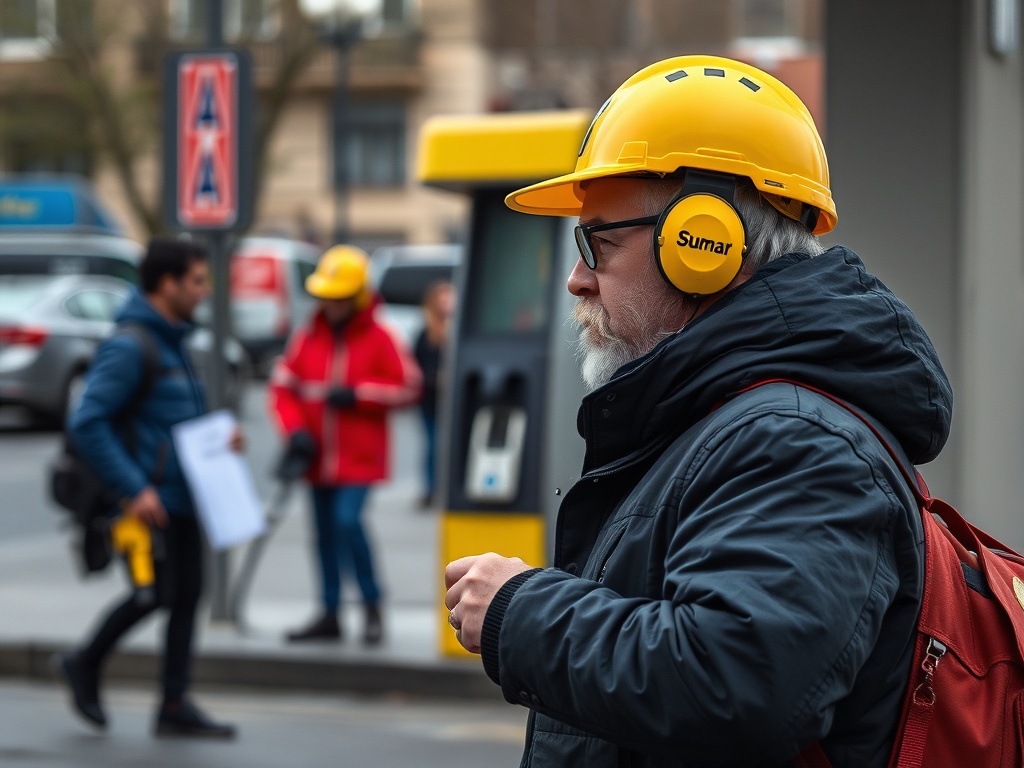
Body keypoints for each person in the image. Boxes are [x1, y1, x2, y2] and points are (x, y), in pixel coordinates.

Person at [443, 54, 953, 767]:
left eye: (599, 242)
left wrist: (519, 611)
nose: (576, 278)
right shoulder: (732, 422)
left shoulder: (795, 443)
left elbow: (738, 683)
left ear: (702, 245)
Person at [56, 237, 237, 738]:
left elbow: (173, 420)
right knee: (151, 595)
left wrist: (221, 438)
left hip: (183, 499)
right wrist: (134, 487)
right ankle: (84, 662)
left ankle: (173, 704)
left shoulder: (173, 340)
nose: (204, 291)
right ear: (167, 284)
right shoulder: (130, 345)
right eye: (197, 281)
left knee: (185, 596)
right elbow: (88, 421)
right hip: (149, 503)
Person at [269, 245, 421, 645]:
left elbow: (408, 386)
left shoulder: (380, 337)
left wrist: (359, 395)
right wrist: (294, 431)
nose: (330, 304)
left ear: (355, 297)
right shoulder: (307, 337)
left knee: (346, 523)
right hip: (315, 457)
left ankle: (371, 605)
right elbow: (282, 389)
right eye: (326, 297)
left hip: (358, 458)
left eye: (338, 298)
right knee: (322, 533)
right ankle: (330, 612)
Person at [412, 280, 455, 508]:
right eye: (442, 298)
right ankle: (431, 489)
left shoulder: (456, 329)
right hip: (430, 399)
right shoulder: (425, 333)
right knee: (432, 444)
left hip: (451, 400)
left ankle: (446, 487)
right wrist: (433, 377)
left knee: (449, 444)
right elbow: (414, 366)